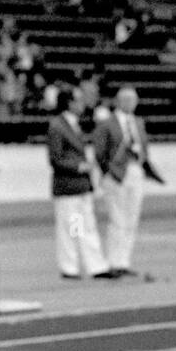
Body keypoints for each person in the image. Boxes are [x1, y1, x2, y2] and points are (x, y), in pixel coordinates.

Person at [93, 86, 165, 276]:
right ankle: (113, 261)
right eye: (126, 100)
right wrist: (108, 172)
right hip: (116, 174)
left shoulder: (138, 122)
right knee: (117, 219)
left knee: (132, 218)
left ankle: (123, 261)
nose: (130, 104)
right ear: (118, 101)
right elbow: (100, 152)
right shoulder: (107, 123)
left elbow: (144, 148)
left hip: (135, 171)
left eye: (133, 100)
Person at [48, 85, 116, 280]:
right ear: (68, 103)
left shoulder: (72, 124)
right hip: (69, 187)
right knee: (72, 228)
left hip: (79, 187)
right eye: (78, 100)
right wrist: (79, 166)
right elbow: (55, 158)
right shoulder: (57, 126)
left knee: (85, 226)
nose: (82, 104)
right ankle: (71, 266)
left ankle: (94, 265)